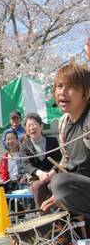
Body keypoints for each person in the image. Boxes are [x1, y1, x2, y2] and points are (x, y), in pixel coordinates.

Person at [40, 62, 90, 237]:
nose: (62, 91)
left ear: (86, 92)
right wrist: (62, 196)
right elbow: (67, 161)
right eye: (59, 86)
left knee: (60, 183)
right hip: (81, 189)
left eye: (70, 87)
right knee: (54, 184)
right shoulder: (63, 123)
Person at [20, 113, 61, 208]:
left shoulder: (53, 141)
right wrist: (40, 173)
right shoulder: (24, 146)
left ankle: (61, 219)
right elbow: (27, 165)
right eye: (29, 126)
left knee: (58, 184)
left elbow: (59, 159)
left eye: (34, 125)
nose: (32, 128)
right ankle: (43, 218)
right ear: (26, 129)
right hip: (35, 177)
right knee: (39, 186)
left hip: (53, 174)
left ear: (41, 126)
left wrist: (51, 173)